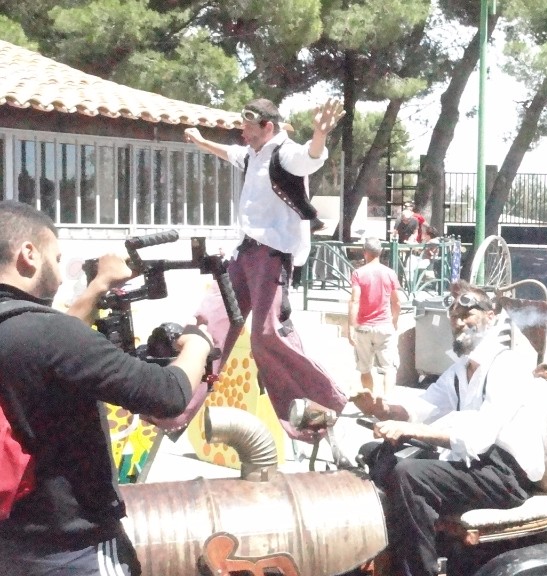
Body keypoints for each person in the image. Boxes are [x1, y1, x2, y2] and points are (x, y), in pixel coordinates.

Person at [0, 200, 213, 575]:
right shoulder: (48, 335)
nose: (62, 275)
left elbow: (49, 342)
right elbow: (168, 395)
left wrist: (98, 286)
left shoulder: (26, 332)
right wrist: (198, 343)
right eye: (56, 257)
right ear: (28, 254)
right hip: (73, 547)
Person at [180, 97, 348, 439]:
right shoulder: (251, 154)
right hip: (244, 253)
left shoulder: (283, 154)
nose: (242, 131)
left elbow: (309, 158)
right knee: (211, 322)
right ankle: (177, 405)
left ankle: (321, 405)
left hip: (272, 254)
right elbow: (228, 152)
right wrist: (200, 142)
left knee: (267, 334)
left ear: (267, 127)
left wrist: (319, 134)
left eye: (248, 125)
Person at [351, 280, 545, 576]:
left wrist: (407, 430)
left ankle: (417, 571)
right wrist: (382, 410)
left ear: (491, 317)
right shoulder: (459, 371)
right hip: (477, 467)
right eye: (454, 316)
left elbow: (476, 440)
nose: (459, 322)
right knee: (376, 455)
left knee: (409, 475)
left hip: (506, 477)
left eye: (468, 314)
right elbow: (421, 409)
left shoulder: (507, 366)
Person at [349, 237, 402, 396]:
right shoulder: (390, 273)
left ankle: (370, 399)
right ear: (381, 252)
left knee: (365, 368)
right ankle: (386, 401)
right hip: (384, 326)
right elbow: (397, 302)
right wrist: (394, 321)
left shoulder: (358, 273)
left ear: (364, 252)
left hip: (363, 327)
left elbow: (354, 301)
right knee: (389, 368)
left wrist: (351, 326)